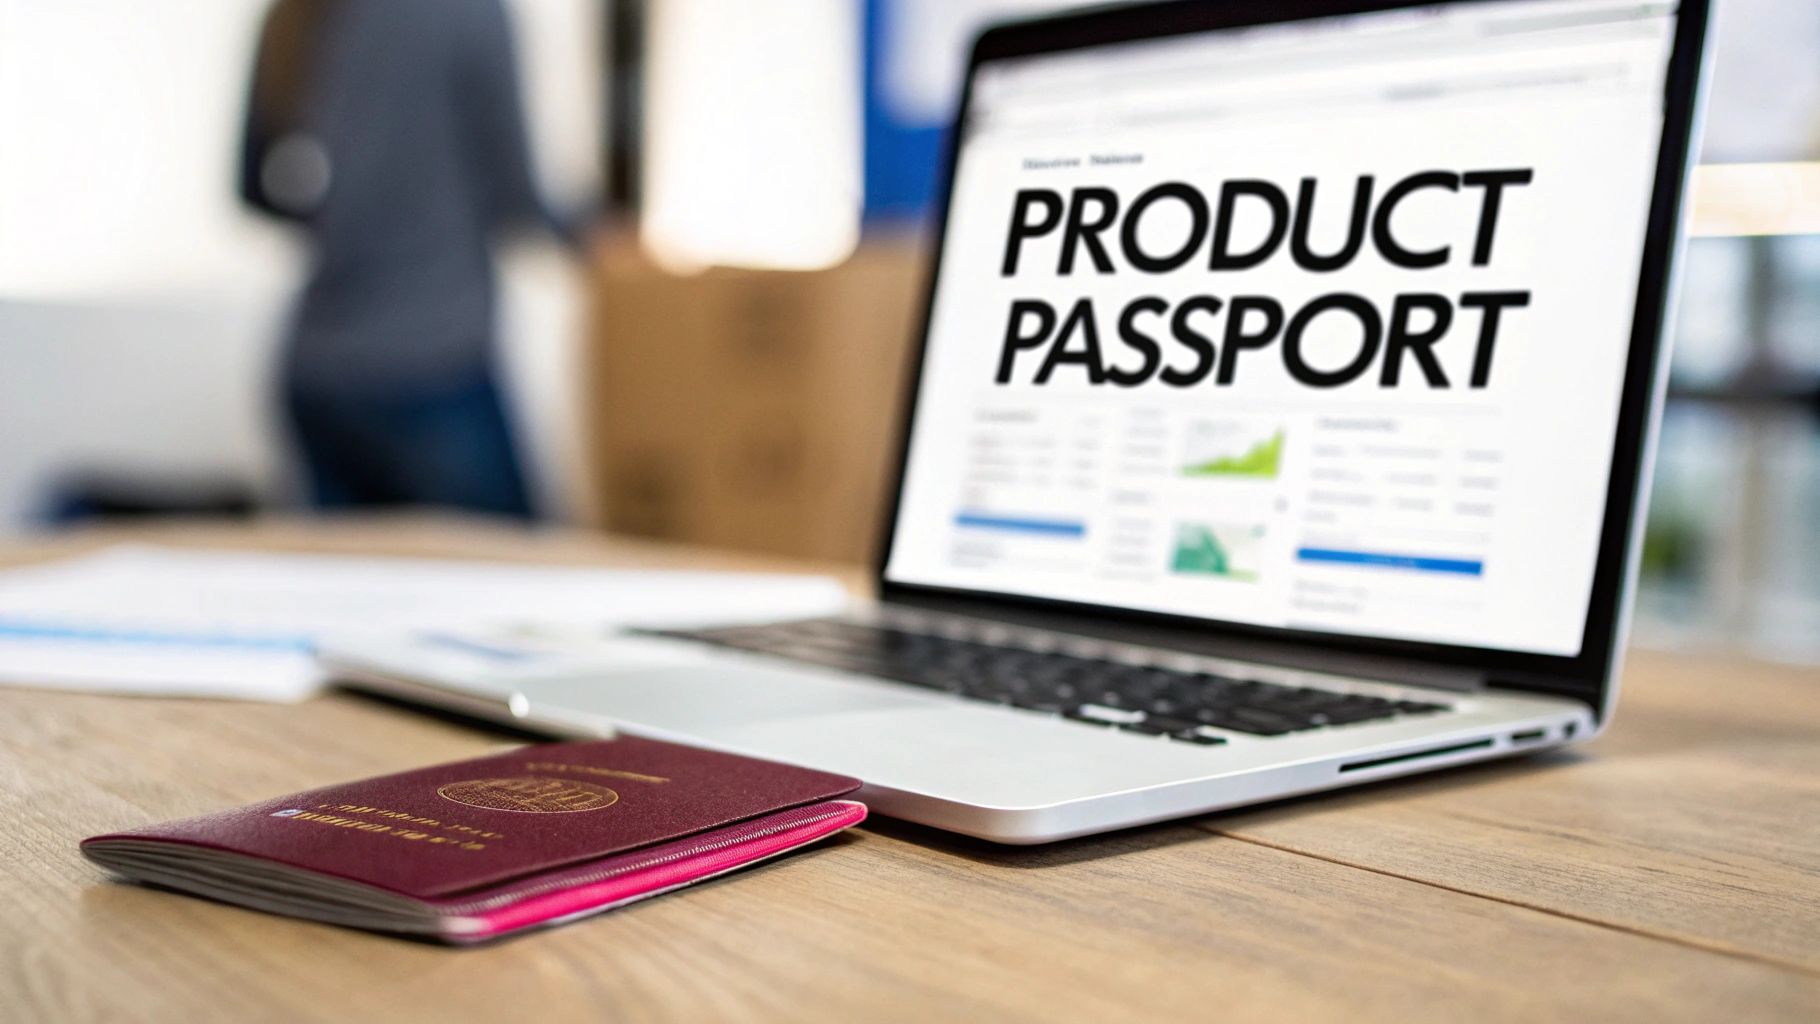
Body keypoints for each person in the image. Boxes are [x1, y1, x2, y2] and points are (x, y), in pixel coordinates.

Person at [239, 0, 585, 517]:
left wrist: (347, 216)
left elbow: (253, 189)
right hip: (432, 366)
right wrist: (599, 235)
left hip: (316, 374)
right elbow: (518, 201)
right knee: (523, 583)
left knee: (351, 590)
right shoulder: (470, 12)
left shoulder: (294, 15)